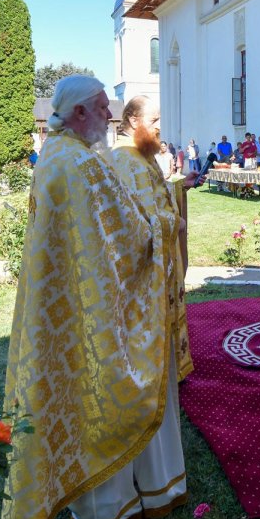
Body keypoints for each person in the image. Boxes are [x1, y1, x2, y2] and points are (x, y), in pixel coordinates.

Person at [1, 76, 188, 519]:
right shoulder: (83, 165)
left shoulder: (56, 158)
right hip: (101, 310)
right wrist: (168, 225)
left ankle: (102, 504)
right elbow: (130, 241)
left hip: (70, 308)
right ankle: (119, 503)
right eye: (103, 107)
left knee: (79, 400)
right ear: (80, 113)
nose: (111, 115)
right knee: (104, 396)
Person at [112, 97, 202, 388]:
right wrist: (175, 222)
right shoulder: (125, 159)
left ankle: (171, 369)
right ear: (134, 121)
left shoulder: (140, 154)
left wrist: (179, 186)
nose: (160, 127)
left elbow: (154, 194)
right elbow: (138, 218)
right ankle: (158, 374)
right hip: (144, 264)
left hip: (160, 256)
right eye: (154, 121)